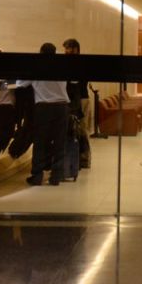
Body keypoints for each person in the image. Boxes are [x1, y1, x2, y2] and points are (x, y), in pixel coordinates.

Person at [17, 42, 70, 186]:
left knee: (40, 142)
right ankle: (56, 176)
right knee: (59, 142)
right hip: (62, 106)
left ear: (40, 53)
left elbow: (20, 83)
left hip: (44, 107)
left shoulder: (36, 67)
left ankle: (37, 176)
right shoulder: (62, 66)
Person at [62, 38, 91, 169]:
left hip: (82, 99)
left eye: (68, 48)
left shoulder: (81, 63)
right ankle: (74, 158)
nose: (66, 51)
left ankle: (84, 158)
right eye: (65, 49)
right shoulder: (69, 63)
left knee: (82, 129)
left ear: (75, 49)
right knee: (72, 129)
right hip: (70, 99)